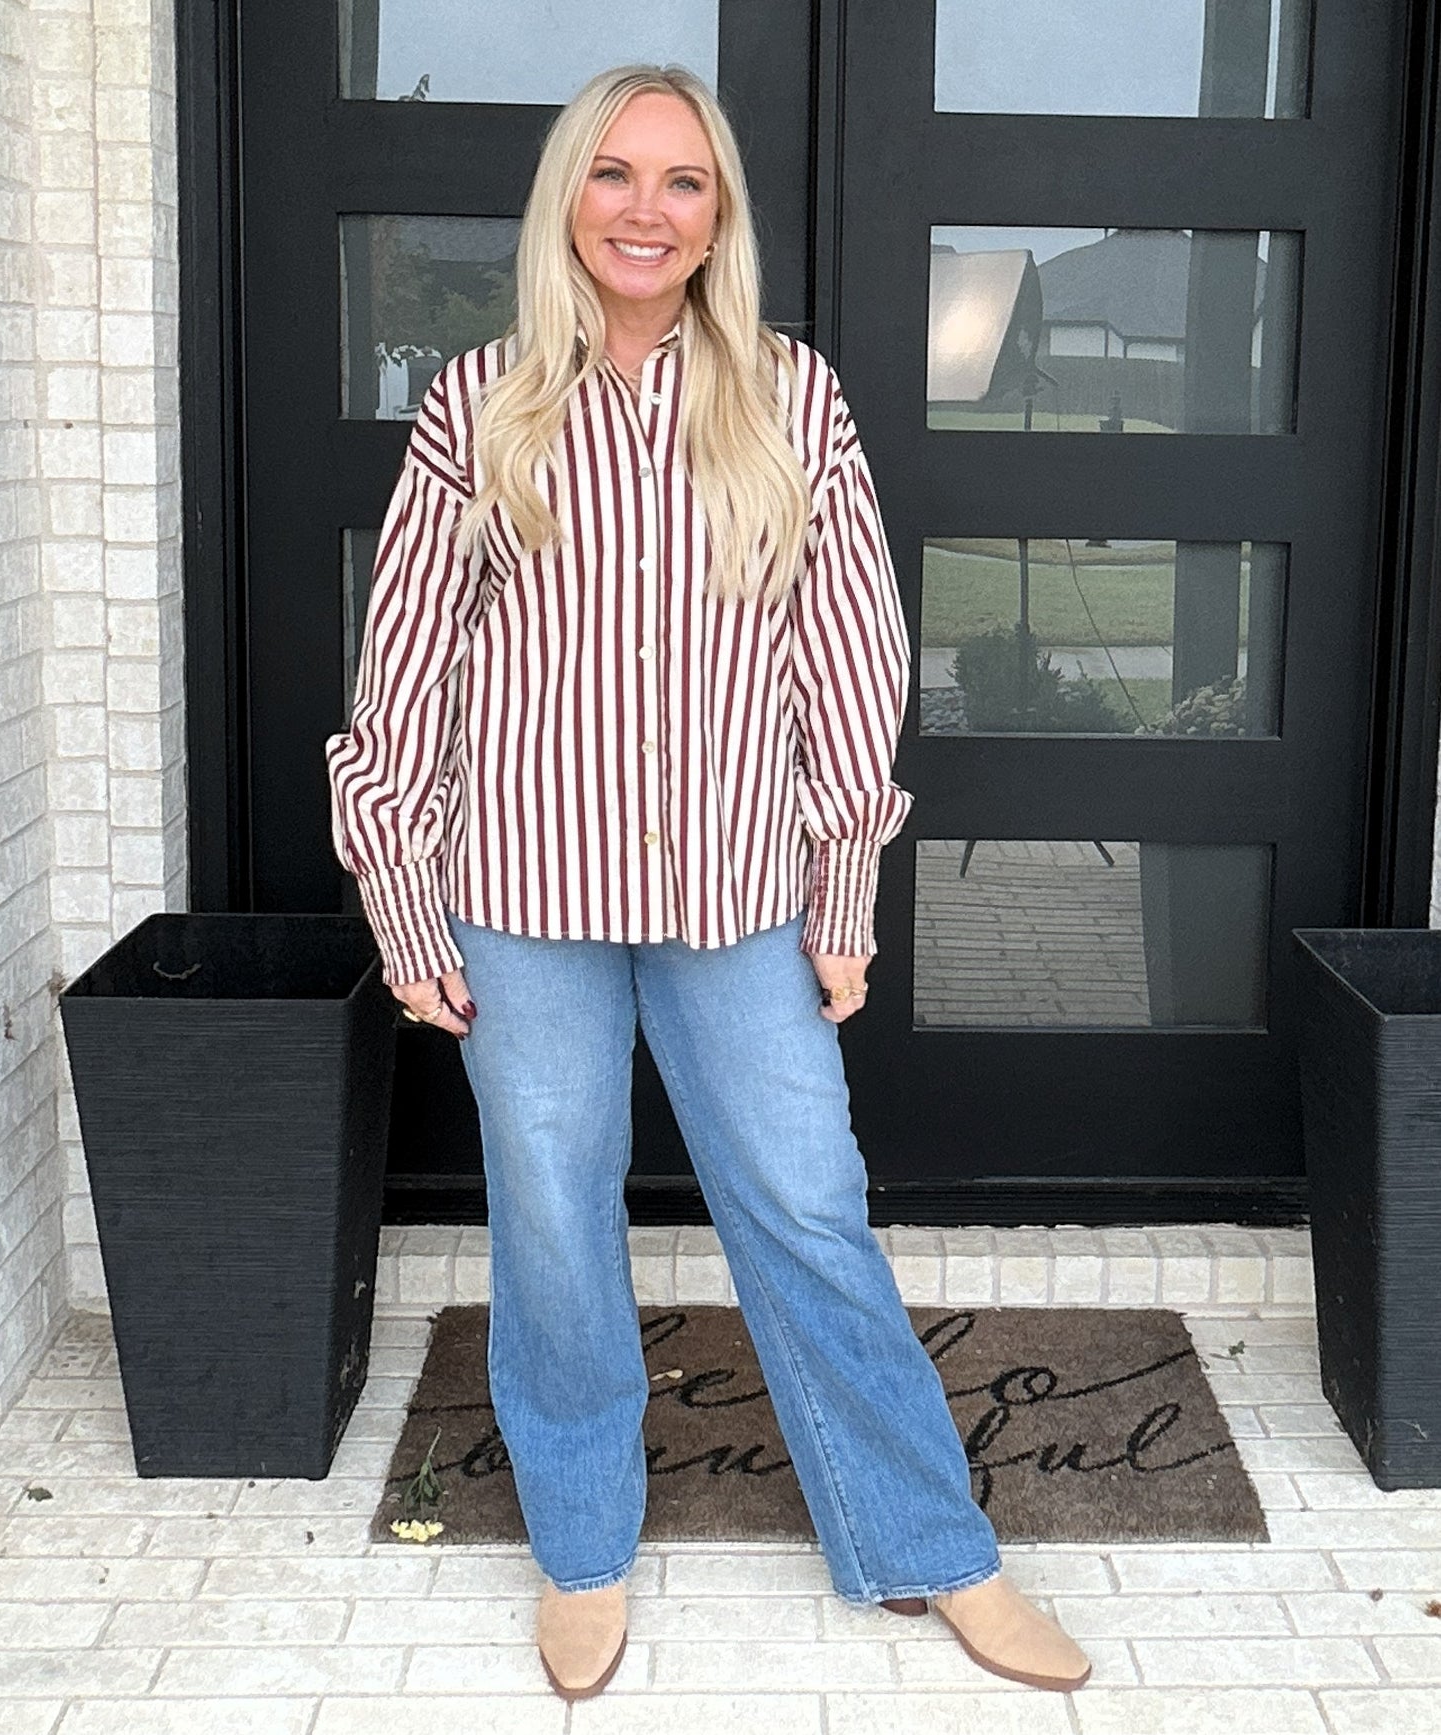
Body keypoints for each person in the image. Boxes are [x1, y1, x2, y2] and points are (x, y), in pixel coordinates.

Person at [326, 62, 1091, 1704]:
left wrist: (838, 900)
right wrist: (402, 903)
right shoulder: (480, 403)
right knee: (550, 1218)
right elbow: (404, 678)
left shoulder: (791, 398)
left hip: (737, 890)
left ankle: (927, 1544)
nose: (644, 211)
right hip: (520, 888)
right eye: (612, 175)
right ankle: (583, 1544)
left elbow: (849, 659)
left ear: (716, 215)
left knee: (807, 1202)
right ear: (567, 201)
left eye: (680, 182)